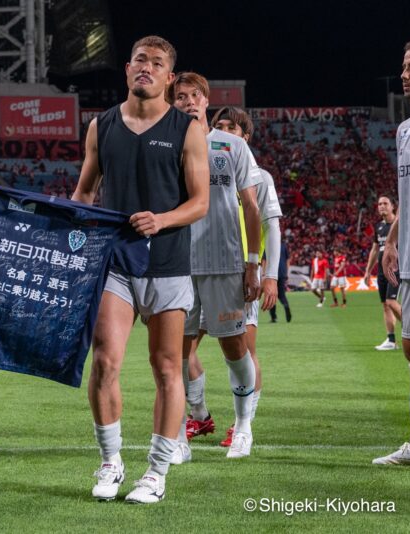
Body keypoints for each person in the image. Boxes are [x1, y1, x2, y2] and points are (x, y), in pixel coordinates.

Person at [72, 36, 209, 504]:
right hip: (115, 262)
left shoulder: (187, 129)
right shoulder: (101, 125)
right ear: (128, 69)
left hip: (168, 263)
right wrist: (71, 234)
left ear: (169, 77)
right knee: (104, 360)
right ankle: (111, 461)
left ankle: (157, 472)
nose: (146, 67)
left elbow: (201, 202)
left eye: (157, 63)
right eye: (139, 60)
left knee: (167, 368)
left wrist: (162, 220)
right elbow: (84, 193)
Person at [170, 79, 262, 461]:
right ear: (172, 103)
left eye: (195, 96)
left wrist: (253, 264)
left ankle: (243, 427)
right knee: (176, 353)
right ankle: (178, 436)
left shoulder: (231, 145)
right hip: (176, 264)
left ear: (206, 101)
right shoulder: (164, 146)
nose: (189, 102)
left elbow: (251, 207)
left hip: (224, 262)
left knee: (234, 347)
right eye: (180, 97)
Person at [185, 106, 280, 447]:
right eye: (219, 125)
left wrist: (269, 274)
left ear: (245, 137)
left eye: (231, 127)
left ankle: (243, 424)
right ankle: (199, 415)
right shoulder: (197, 165)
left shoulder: (261, 178)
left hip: (239, 272)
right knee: (181, 349)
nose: (223, 131)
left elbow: (272, 226)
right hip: (199, 267)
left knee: (243, 349)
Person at [377, 38, 410, 465]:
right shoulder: (405, 130)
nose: (405, 74)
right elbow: (409, 196)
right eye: (405, 67)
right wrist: (391, 241)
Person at [364, 195, 401, 350]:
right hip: (381, 270)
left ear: (393, 206)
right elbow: (375, 250)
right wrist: (367, 271)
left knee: (391, 302)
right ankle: (391, 340)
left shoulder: (399, 225)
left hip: (395, 268)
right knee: (385, 305)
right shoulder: (379, 227)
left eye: (385, 203)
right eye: (379, 204)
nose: (382, 206)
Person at [269, 239, 292, 323]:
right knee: (282, 295)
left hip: (272, 274)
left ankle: (273, 317)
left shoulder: (269, 246)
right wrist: (286, 272)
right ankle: (286, 305)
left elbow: (264, 260)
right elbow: (288, 260)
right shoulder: (283, 246)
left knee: (271, 295)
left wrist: (263, 274)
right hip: (282, 273)